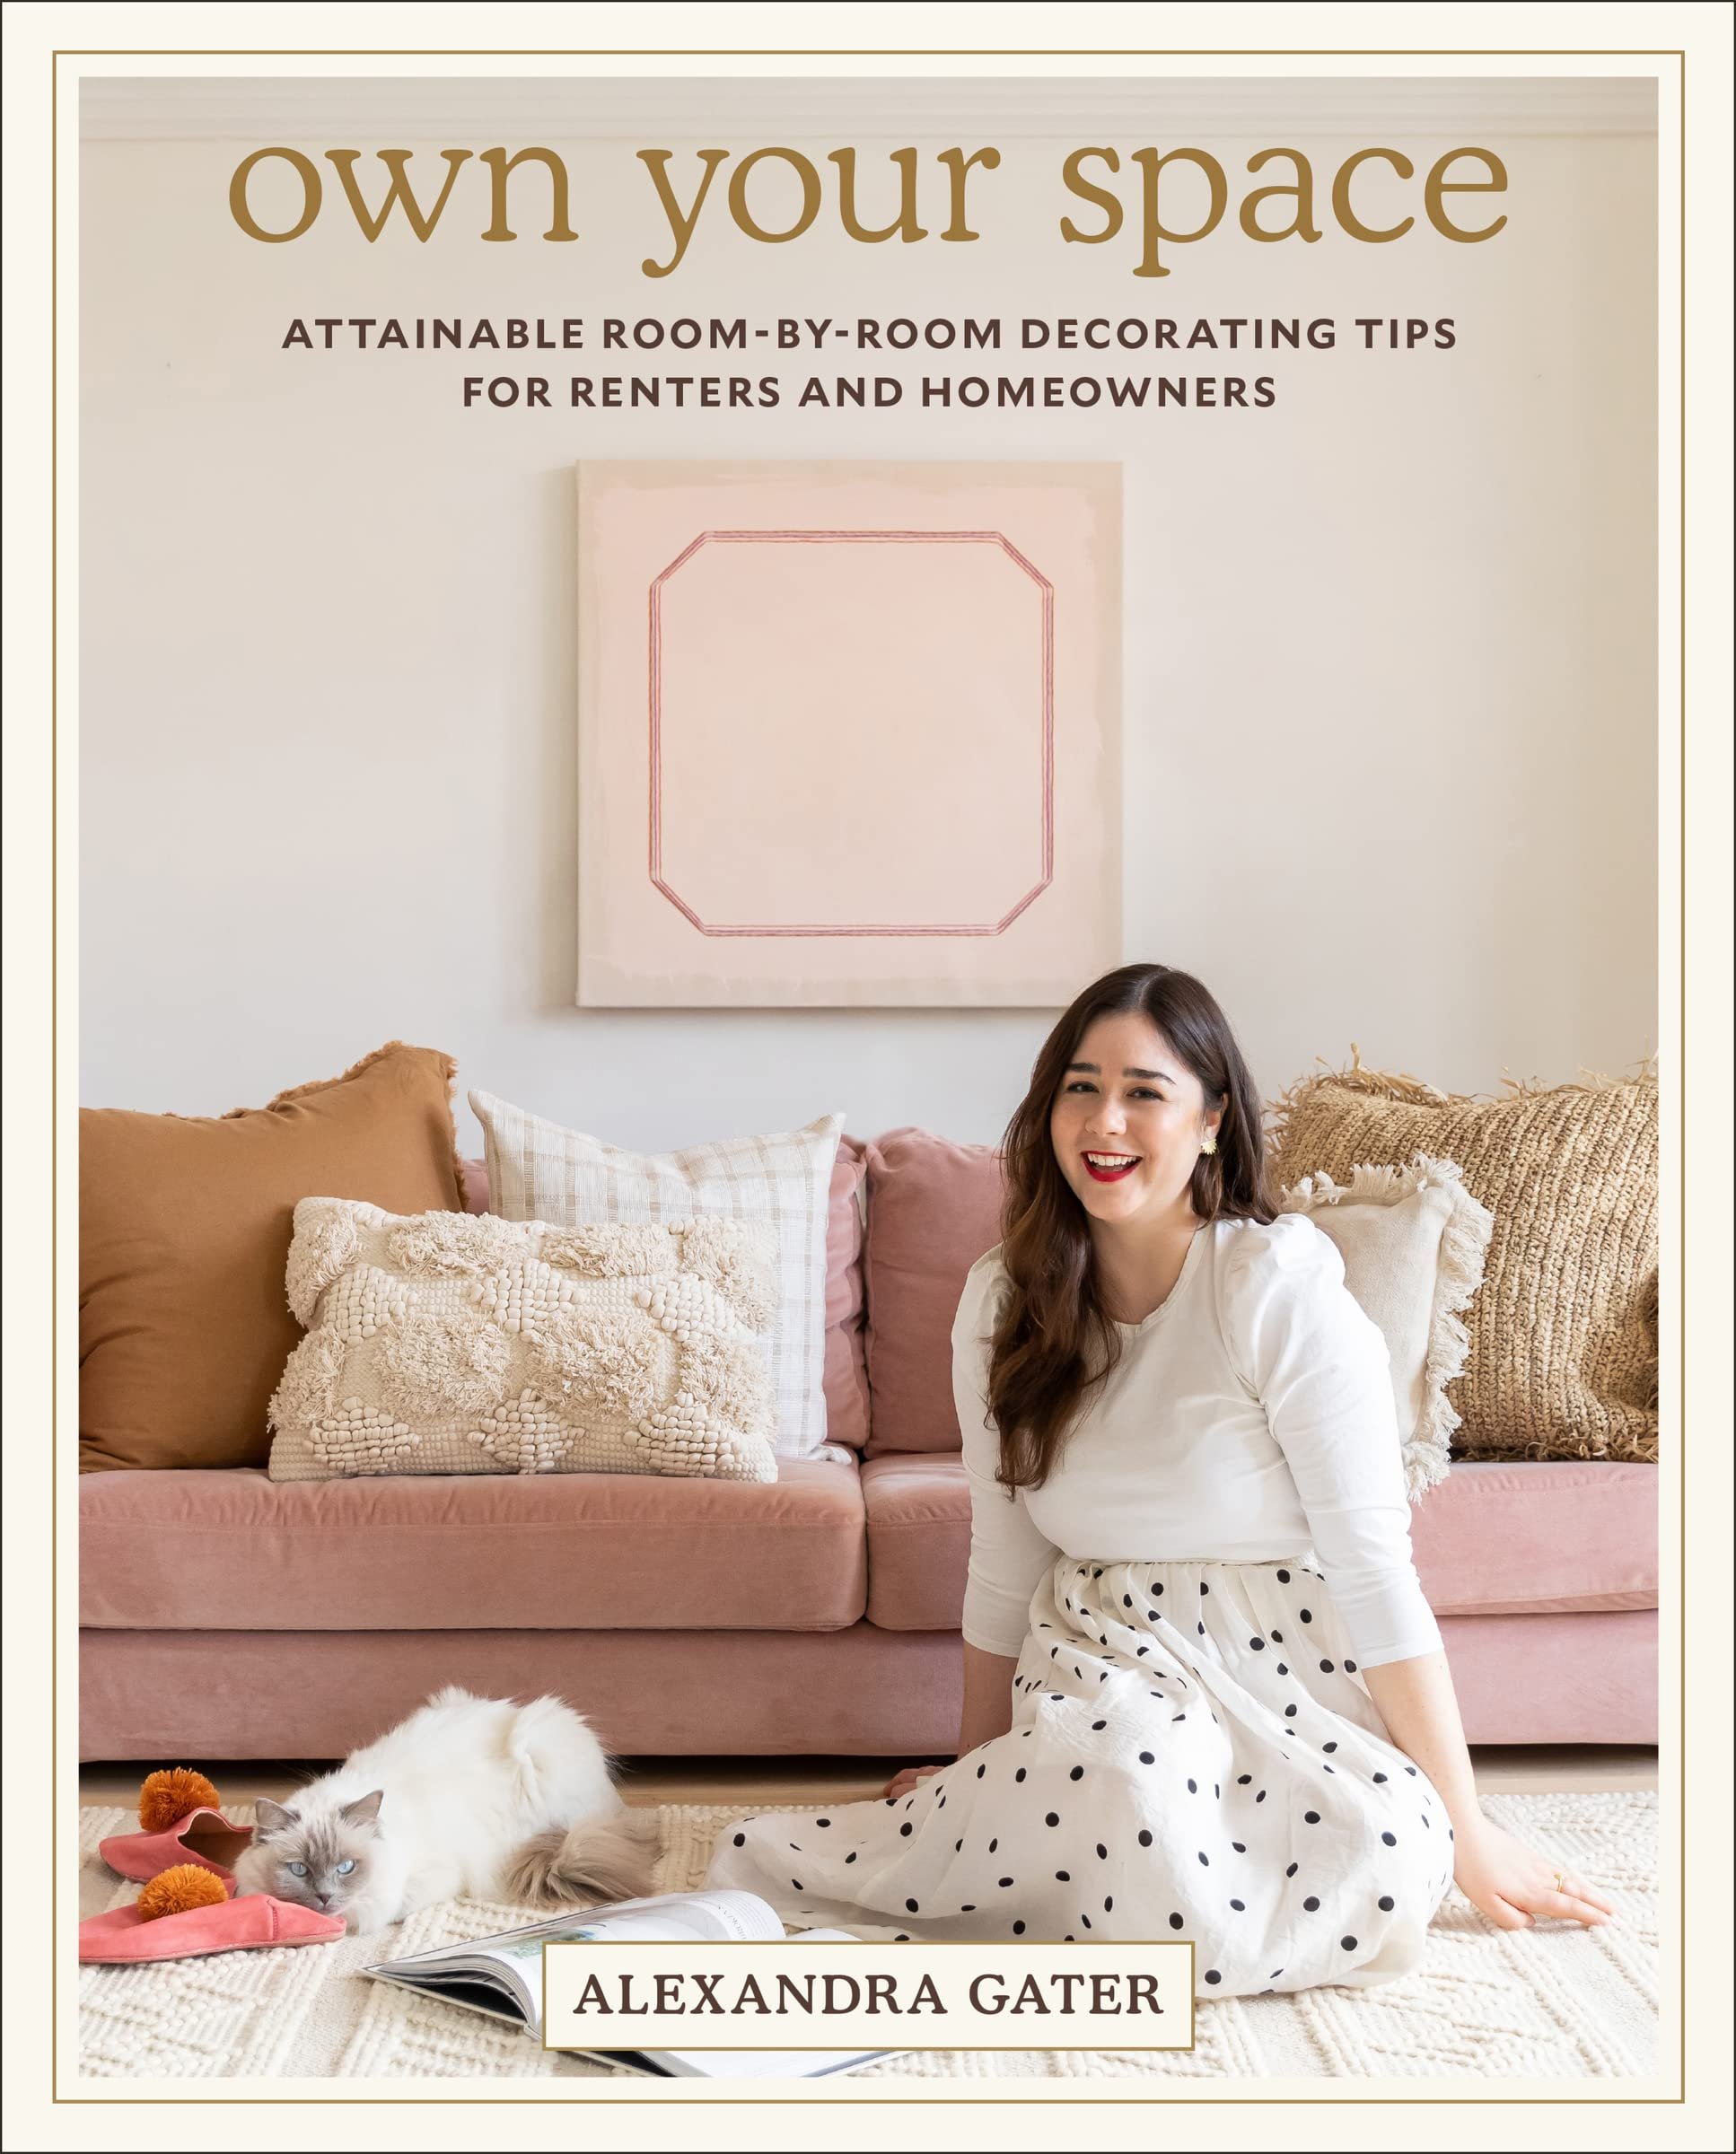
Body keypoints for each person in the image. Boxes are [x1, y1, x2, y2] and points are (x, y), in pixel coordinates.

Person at [704, 963, 1615, 1996]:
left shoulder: (1274, 1285)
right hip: (1103, 1647)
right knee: (1129, 1785)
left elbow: (1372, 1572)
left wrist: (1470, 1825)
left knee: (1392, 1848)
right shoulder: (1001, 1299)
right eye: (1080, 1086)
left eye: (1144, 1090)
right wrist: (979, 1770)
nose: (1105, 1119)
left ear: (1212, 1120)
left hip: (1284, 1660)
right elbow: (1004, 1568)